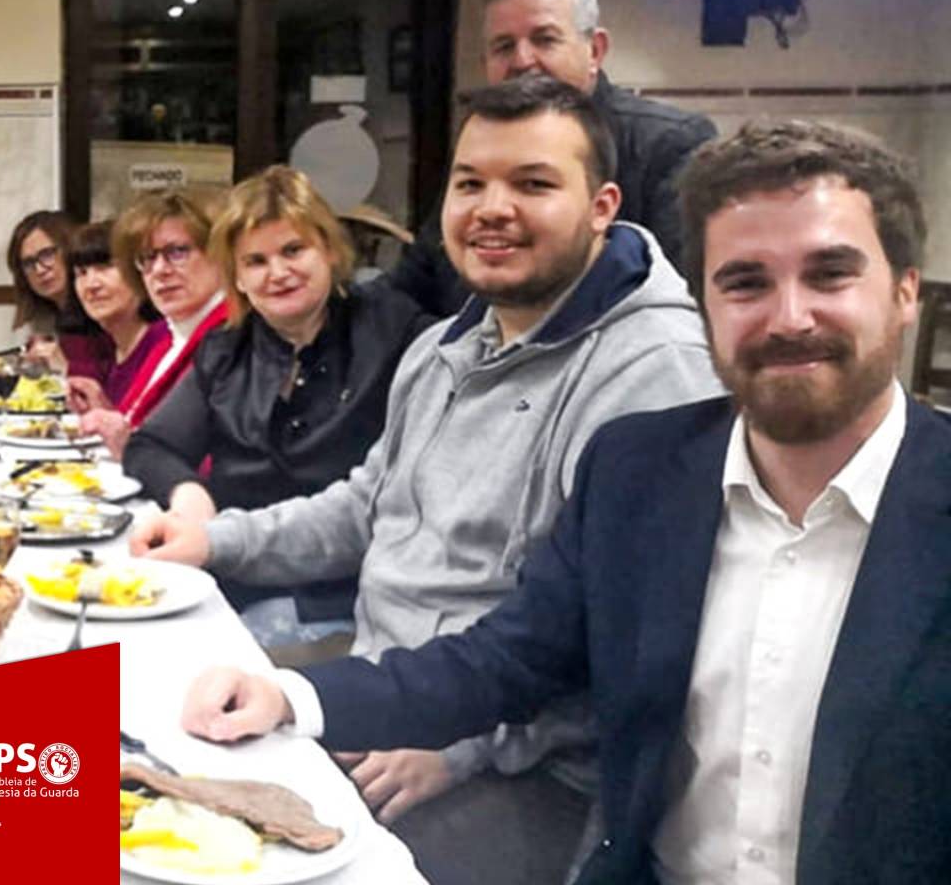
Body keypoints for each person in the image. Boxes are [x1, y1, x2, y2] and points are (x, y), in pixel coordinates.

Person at [179, 118, 948, 884]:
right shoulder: (645, 468)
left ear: (905, 291)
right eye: (745, 283)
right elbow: (509, 657)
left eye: (830, 275)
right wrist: (292, 695)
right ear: (707, 300)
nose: (788, 318)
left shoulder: (648, 373)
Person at [133, 77, 725, 884]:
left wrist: (464, 744)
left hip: (526, 767)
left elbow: (628, 647)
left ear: (602, 206)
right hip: (391, 691)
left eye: (533, 183)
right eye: (470, 183)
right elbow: (363, 508)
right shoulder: (447, 345)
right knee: (150, 765)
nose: (492, 208)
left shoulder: (656, 374)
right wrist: (213, 541)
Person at [125, 166, 433, 624]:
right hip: (223, 572)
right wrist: (189, 494)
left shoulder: (397, 332)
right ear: (236, 277)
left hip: (333, 597)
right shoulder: (226, 349)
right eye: (255, 261)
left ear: (329, 250)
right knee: (81, 654)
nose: (278, 273)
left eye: (293, 250)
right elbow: (150, 446)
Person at [388, 0, 717, 317]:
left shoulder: (668, 144)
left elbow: (688, 301)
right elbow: (411, 284)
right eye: (504, 46)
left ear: (595, 51)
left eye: (544, 40)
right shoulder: (480, 148)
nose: (523, 60)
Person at [75, 187, 230, 456]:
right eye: (148, 257)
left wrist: (132, 446)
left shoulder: (231, 338)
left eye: (177, 252)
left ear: (219, 254)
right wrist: (106, 414)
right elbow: (137, 426)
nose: (159, 270)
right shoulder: (171, 338)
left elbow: (219, 460)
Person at [62, 220, 164, 402]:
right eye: (81, 273)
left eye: (105, 267)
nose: (91, 285)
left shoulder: (163, 342)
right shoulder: (109, 350)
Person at [4, 209, 87, 369]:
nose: (40, 270)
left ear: (69, 250)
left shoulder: (96, 309)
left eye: (47, 254)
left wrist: (67, 364)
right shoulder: (42, 316)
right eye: (29, 263)